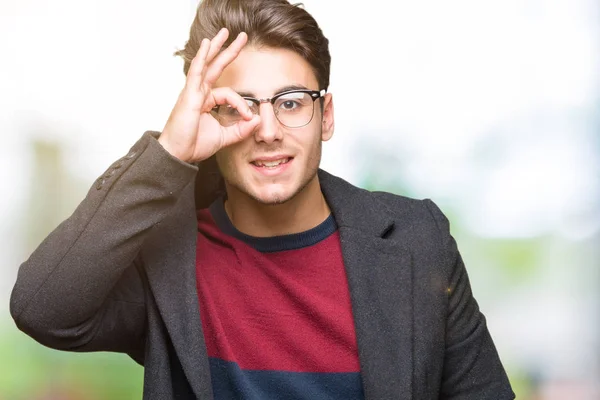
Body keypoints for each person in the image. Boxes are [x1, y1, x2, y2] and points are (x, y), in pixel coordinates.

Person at [10, 0, 515, 399]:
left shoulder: (415, 240)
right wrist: (168, 154)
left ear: (328, 115)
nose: (268, 131)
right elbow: (43, 308)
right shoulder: (168, 258)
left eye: (291, 102)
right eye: (238, 108)